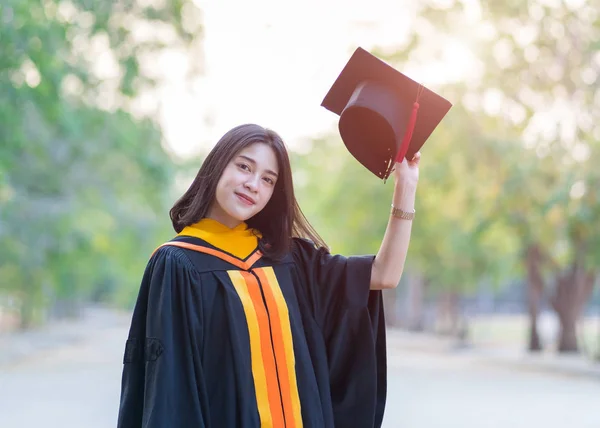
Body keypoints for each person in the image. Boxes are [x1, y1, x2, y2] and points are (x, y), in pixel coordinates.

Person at [116, 122, 420, 428]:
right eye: (244, 167)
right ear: (218, 165)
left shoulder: (293, 261)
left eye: (268, 179)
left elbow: (384, 274)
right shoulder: (179, 264)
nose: (253, 184)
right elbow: (171, 392)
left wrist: (405, 185)